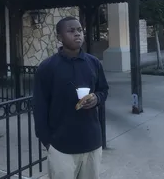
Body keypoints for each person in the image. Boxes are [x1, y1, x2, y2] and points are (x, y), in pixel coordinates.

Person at [33, 16, 109, 179]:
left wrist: (97, 98)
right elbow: (39, 107)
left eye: (80, 30)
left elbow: (104, 90)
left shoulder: (93, 63)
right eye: (71, 30)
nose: (77, 34)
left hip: (92, 143)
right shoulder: (47, 68)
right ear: (59, 37)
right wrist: (48, 142)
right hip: (61, 147)